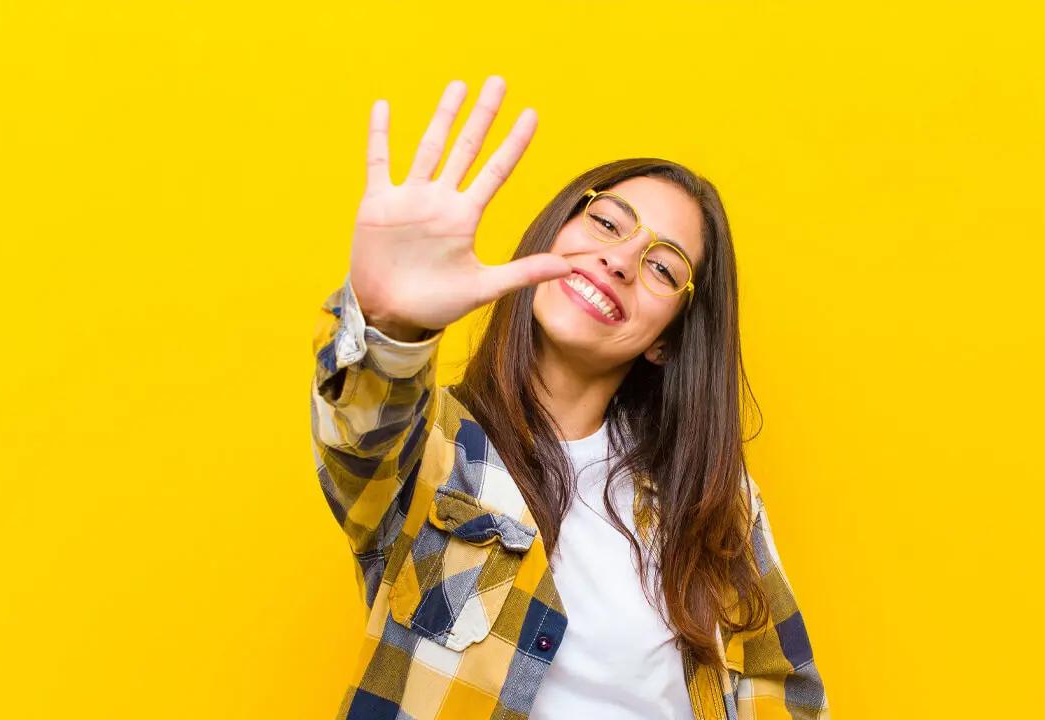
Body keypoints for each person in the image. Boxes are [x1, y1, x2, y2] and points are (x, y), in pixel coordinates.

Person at [309, 75, 829, 720]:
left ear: (666, 343)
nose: (620, 260)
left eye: (663, 267)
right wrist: (392, 325)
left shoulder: (713, 500)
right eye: (607, 223)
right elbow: (363, 417)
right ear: (555, 234)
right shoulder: (430, 450)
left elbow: (782, 691)